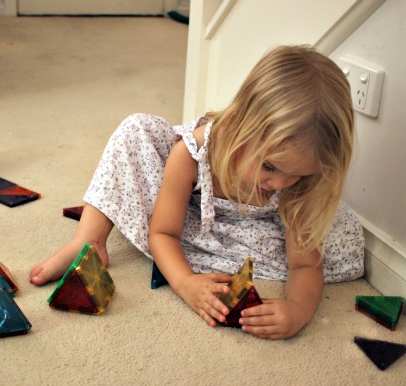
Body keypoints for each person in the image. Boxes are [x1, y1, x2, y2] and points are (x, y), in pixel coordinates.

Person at [29, 45, 364, 339]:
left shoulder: (297, 186)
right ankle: (89, 241)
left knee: (326, 241)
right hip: (180, 208)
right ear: (240, 128)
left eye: (298, 175)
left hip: (248, 230)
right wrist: (186, 282)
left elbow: (305, 267)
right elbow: (161, 232)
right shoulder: (191, 153)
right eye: (271, 168)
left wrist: (298, 311)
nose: (280, 184)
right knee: (133, 130)